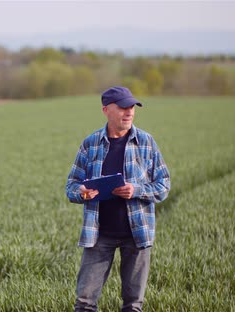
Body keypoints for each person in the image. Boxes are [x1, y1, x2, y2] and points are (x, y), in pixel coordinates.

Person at [65, 86, 171, 312]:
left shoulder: (146, 142)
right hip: (99, 234)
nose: (129, 112)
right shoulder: (90, 143)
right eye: (123, 107)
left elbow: (164, 186)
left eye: (132, 107)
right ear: (106, 110)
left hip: (137, 234)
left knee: (133, 305)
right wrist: (83, 193)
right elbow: (71, 186)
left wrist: (137, 190)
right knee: (84, 303)